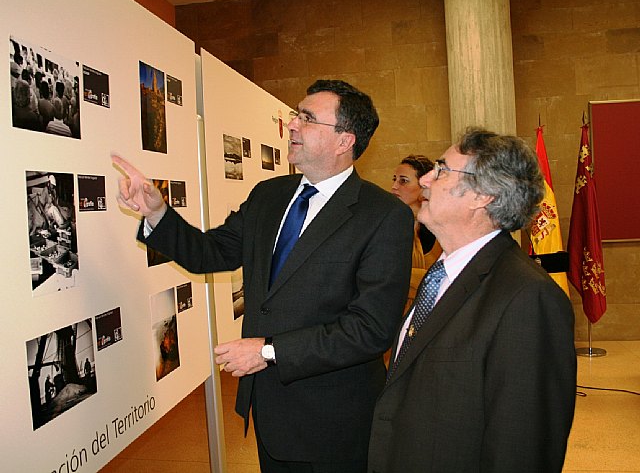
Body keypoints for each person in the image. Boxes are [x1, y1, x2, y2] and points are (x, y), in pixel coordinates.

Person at [113, 79, 414, 472]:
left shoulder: (383, 216)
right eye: (295, 114)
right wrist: (157, 212)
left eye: (307, 119)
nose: (292, 124)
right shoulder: (268, 195)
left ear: (344, 141)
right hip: (271, 412)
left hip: (334, 422)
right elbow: (210, 252)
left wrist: (267, 351)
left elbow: (371, 329)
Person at [369, 127, 577, 473]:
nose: (426, 180)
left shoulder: (529, 297)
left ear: (483, 196)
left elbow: (522, 447)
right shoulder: (440, 275)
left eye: (443, 170)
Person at [391, 155, 442, 311]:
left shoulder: (442, 228)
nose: (394, 186)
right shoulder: (387, 226)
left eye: (403, 181)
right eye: (394, 179)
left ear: (424, 186)